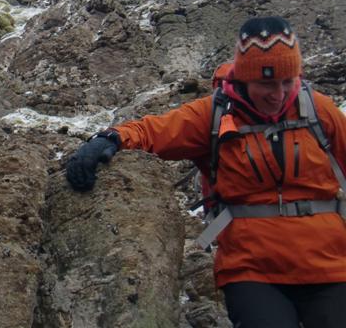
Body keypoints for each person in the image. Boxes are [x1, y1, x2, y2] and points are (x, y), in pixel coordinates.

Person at [66, 16, 346, 328]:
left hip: (332, 265)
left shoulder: (318, 110)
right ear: (244, 78)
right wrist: (109, 139)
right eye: (266, 84)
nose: (278, 94)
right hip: (253, 270)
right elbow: (155, 131)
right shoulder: (215, 114)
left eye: (287, 81)